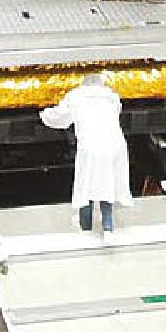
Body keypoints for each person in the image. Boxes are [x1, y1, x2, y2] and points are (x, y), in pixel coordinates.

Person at [39, 73, 135, 235]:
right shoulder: (111, 95)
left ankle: (86, 227)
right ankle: (108, 228)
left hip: (91, 146)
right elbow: (117, 111)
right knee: (107, 184)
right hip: (115, 143)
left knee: (86, 186)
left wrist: (43, 114)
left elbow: (61, 118)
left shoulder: (76, 96)